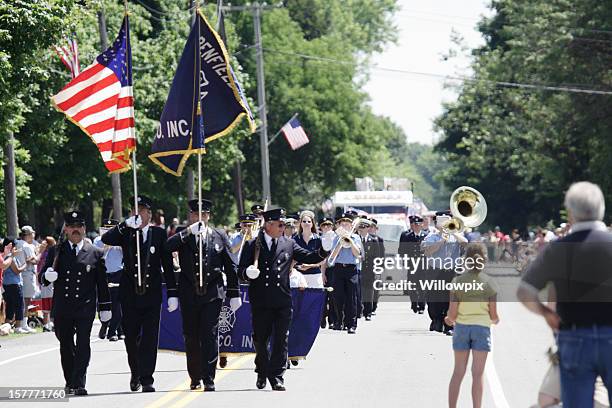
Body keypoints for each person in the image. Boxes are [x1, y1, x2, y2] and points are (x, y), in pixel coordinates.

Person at [518, 181, 612, 406]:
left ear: (571, 213)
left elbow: (524, 291)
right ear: (602, 209)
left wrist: (546, 313)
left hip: (574, 336)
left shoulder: (558, 249)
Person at [238, 208, 332, 391]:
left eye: (284, 225)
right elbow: (239, 271)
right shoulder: (253, 245)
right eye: (280, 225)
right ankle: (262, 370)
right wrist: (246, 273)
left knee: (281, 339)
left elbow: (309, 256)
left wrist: (324, 249)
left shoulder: (288, 244)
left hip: (282, 300)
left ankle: (277, 377)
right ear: (268, 225)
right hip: (261, 301)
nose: (283, 228)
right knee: (260, 339)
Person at [101, 196, 177, 393]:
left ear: (149, 214)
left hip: (151, 294)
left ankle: (147, 378)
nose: (137, 214)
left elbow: (167, 265)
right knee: (131, 338)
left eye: (142, 210)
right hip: (130, 294)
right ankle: (135, 372)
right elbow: (106, 239)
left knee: (150, 339)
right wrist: (125, 225)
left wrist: (172, 292)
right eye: (134, 210)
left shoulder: (158, 234)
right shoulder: (126, 232)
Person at [166, 199, 242, 391]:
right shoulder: (184, 235)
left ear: (209, 216)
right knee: (191, 336)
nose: (199, 218)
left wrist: (234, 293)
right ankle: (195, 376)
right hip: (189, 292)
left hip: (212, 293)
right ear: (190, 216)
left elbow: (230, 265)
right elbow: (167, 247)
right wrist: (188, 232)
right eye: (194, 214)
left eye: (203, 214)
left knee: (210, 335)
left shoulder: (218, 235)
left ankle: (209, 377)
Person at [41, 211, 112, 395]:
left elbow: (102, 283)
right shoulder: (57, 250)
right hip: (63, 306)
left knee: (83, 343)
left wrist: (105, 306)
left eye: (79, 226)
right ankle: (70, 379)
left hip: (85, 307)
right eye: (72, 226)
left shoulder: (95, 253)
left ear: (84, 229)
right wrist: (47, 277)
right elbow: (44, 277)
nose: (75, 230)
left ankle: (79, 382)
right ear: (66, 229)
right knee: (65, 344)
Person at [445, 244, 499, 408]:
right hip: (481, 328)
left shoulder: (457, 282)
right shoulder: (490, 283)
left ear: (466, 260)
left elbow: (452, 315)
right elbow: (493, 315)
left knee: (458, 372)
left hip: (462, 327)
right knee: (477, 374)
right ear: (484, 260)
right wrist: (495, 320)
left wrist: (449, 319)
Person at [422, 211, 467, 335]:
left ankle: (449, 325)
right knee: (434, 299)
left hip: (451, 271)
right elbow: (427, 252)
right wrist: (441, 240)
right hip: (435, 271)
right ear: (437, 223)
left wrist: (454, 233)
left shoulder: (456, 235)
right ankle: (436, 320)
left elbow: (466, 243)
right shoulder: (432, 236)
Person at [328, 212, 362, 333]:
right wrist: (340, 243)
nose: (345, 226)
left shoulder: (356, 237)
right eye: (343, 224)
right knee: (338, 297)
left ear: (350, 225)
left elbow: (358, 254)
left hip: (351, 269)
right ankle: (339, 322)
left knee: (351, 298)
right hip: (338, 268)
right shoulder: (336, 238)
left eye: (347, 224)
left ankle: (351, 324)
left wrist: (350, 241)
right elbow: (333, 256)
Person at [94, 219, 124, 342]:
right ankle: (105, 323)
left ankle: (112, 331)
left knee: (117, 304)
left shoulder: (121, 240)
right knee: (103, 303)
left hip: (118, 273)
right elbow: (96, 255)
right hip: (103, 274)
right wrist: (106, 245)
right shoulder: (98, 241)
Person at [399, 215, 428, 314]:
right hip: (412, 264)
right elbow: (401, 250)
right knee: (412, 285)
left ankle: (422, 306)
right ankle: (414, 302)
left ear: (421, 225)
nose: (415, 226)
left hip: (423, 264)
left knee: (422, 285)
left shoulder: (426, 235)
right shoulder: (407, 236)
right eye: (414, 224)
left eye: (417, 224)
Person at [1, 238, 28, 333]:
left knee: (10, 306)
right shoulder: (10, 257)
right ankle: (18, 327)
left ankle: (6, 326)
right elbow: (16, 270)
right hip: (14, 284)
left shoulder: (3, 256)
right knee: (20, 305)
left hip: (6, 285)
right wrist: (26, 264)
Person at [293, 210, 325, 289]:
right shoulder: (295, 239)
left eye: (309, 221)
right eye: (304, 221)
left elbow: (323, 260)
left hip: (315, 275)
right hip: (298, 275)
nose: (306, 223)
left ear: (312, 224)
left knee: (315, 300)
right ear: (301, 223)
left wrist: (309, 266)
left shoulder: (319, 239)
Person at [20, 226, 39, 331]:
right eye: (32, 233)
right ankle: (24, 324)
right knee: (26, 301)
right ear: (27, 235)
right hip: (27, 274)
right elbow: (34, 261)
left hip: (24, 274)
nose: (33, 235)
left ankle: (23, 323)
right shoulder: (27, 246)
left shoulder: (21, 244)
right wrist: (39, 252)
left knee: (25, 300)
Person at [37, 237, 56, 332]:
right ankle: (48, 323)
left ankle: (47, 324)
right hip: (49, 277)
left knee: (47, 301)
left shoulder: (48, 251)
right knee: (49, 302)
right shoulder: (51, 252)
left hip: (44, 277)